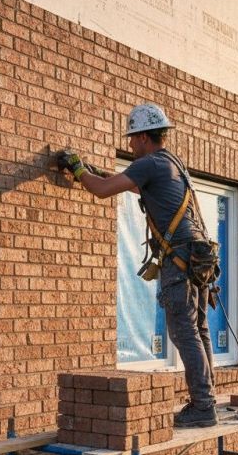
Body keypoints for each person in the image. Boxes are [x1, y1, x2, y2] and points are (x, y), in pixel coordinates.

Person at [57, 103, 218, 429]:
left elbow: (103, 191)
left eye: (132, 139)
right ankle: (206, 402)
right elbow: (125, 184)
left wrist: (76, 168)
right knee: (198, 330)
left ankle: (202, 407)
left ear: (144, 137)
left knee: (185, 333)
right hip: (197, 258)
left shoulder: (150, 163)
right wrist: (95, 171)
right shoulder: (171, 163)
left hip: (180, 261)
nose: (129, 145)